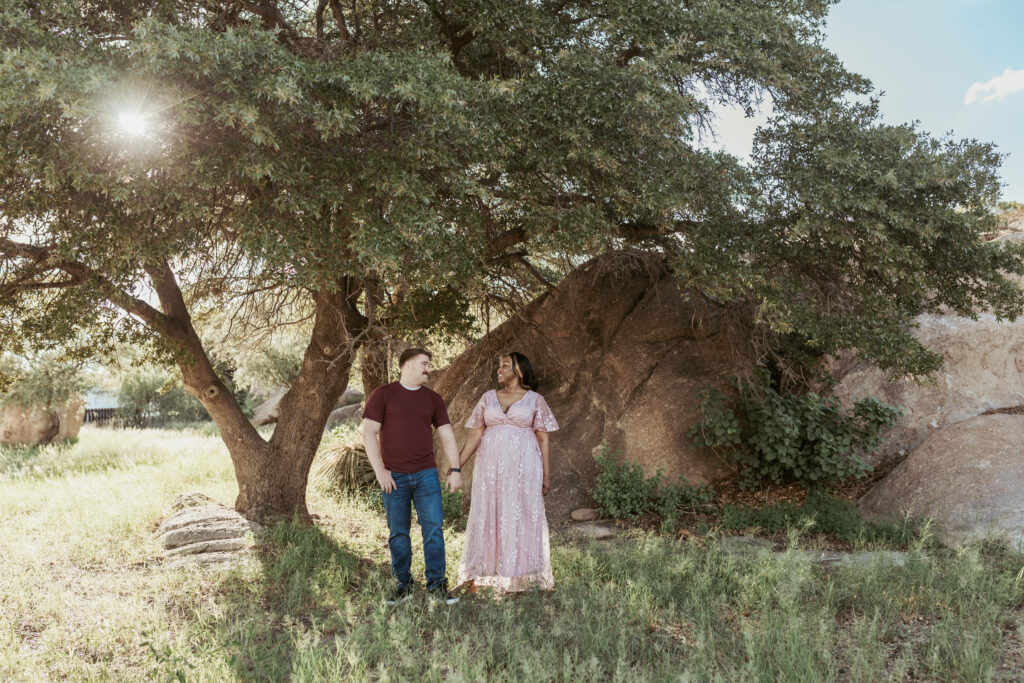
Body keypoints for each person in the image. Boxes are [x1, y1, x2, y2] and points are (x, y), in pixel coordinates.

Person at [361, 347, 462, 606]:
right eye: (424, 364)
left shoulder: (433, 399)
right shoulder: (384, 394)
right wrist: (380, 471)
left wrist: (455, 469)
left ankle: (437, 587)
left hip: (426, 474)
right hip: (394, 476)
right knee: (398, 532)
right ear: (407, 365)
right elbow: (368, 432)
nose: (429, 368)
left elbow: (446, 434)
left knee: (434, 531)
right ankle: (402, 586)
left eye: (429, 364)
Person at [456, 351, 559, 593]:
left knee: (521, 516)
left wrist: (546, 476)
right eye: (498, 365)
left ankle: (521, 578)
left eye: (504, 365)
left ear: (519, 370)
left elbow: (543, 439)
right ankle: (476, 576)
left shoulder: (535, 400)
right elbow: (475, 434)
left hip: (524, 470)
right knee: (487, 513)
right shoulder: (487, 398)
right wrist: (455, 467)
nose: (499, 369)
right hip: (490, 471)